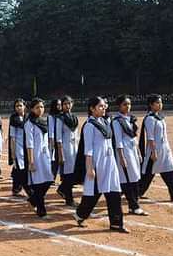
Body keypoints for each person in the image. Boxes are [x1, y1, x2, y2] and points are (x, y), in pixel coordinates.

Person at [74, 97, 128, 233]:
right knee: (93, 195)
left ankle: (116, 223)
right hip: (97, 163)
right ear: (92, 108)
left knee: (114, 192)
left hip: (109, 162)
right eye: (100, 106)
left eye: (104, 106)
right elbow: (88, 149)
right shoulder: (89, 125)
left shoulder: (105, 122)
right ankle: (80, 214)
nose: (104, 109)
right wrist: (90, 168)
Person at [139, 94, 173, 202]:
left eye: (160, 102)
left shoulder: (160, 118)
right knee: (147, 174)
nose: (160, 104)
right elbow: (150, 138)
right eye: (157, 102)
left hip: (165, 150)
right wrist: (153, 152)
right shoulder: (150, 119)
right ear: (151, 105)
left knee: (170, 172)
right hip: (155, 150)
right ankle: (136, 193)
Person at [112, 95, 148, 215]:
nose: (128, 106)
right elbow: (119, 141)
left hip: (133, 152)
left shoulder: (131, 119)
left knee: (135, 178)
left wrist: (138, 152)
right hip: (125, 153)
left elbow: (134, 138)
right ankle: (133, 205)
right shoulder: (117, 121)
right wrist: (121, 157)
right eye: (125, 104)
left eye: (129, 104)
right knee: (128, 180)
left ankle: (134, 203)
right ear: (119, 106)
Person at [24, 98, 54, 218]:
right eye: (37, 107)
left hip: (45, 155)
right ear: (32, 109)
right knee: (38, 184)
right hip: (35, 156)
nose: (40, 109)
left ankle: (33, 199)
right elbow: (29, 144)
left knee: (48, 180)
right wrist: (31, 161)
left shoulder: (43, 121)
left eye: (42, 107)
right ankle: (41, 211)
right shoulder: (29, 123)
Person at [56, 96, 79, 207]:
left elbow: (77, 134)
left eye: (69, 103)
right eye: (65, 104)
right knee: (67, 175)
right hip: (65, 149)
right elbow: (59, 138)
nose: (67, 106)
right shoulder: (60, 118)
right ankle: (69, 199)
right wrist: (61, 154)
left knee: (73, 174)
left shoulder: (74, 118)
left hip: (74, 148)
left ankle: (62, 189)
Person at [9, 98, 31, 197]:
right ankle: (26, 190)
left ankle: (16, 188)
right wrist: (13, 153)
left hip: (28, 147)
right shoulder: (13, 119)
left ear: (24, 107)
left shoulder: (29, 117)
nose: (19, 108)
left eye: (20, 105)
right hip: (19, 148)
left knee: (19, 170)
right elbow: (12, 137)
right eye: (17, 106)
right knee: (21, 169)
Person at [47, 99, 62, 181]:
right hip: (54, 141)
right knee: (54, 159)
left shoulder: (62, 115)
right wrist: (52, 142)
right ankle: (52, 176)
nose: (59, 107)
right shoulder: (51, 116)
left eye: (60, 105)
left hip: (62, 141)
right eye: (57, 105)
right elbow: (51, 130)